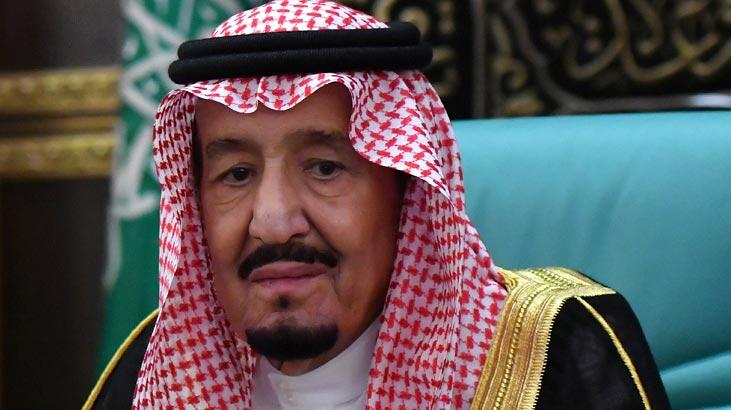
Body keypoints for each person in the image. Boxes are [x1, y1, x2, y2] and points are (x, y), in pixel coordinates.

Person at [85, 1, 670, 409]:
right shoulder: (150, 373)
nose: (273, 222)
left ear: (407, 194)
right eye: (236, 175)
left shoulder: (549, 355)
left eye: (325, 168)